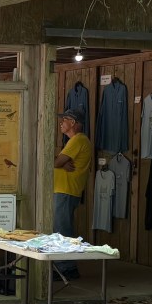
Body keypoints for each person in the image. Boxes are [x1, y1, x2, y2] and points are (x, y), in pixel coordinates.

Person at [52, 109, 93, 279]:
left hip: (66, 190)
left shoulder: (78, 140)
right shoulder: (73, 142)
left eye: (64, 120)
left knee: (63, 229)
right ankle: (63, 266)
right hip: (64, 190)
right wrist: (60, 163)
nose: (61, 123)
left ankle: (67, 268)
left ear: (73, 123)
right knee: (59, 228)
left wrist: (59, 163)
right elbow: (59, 162)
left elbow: (56, 162)